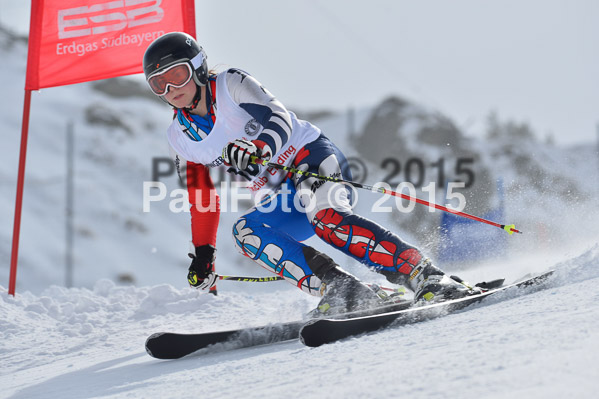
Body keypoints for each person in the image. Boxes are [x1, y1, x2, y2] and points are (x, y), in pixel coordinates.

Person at [142, 32, 480, 315]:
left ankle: (426, 274)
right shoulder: (179, 138)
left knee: (329, 218)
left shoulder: (230, 83)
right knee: (247, 232)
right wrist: (204, 255)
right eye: (159, 84)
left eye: (177, 75)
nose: (171, 89)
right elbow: (201, 197)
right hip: (282, 197)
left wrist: (257, 149)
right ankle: (345, 290)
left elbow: (279, 118)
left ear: (199, 67)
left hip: (310, 158)